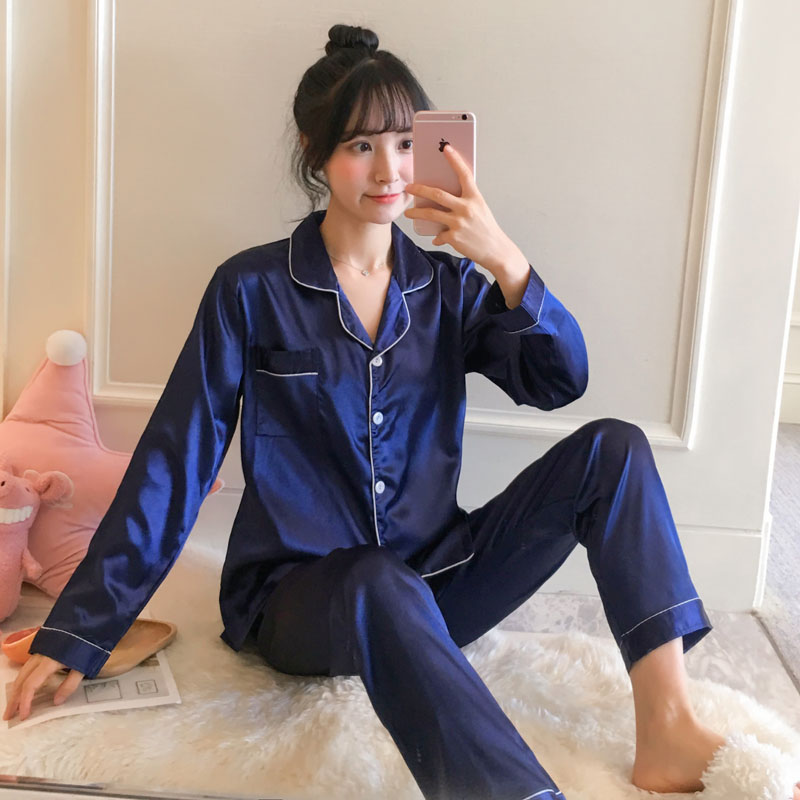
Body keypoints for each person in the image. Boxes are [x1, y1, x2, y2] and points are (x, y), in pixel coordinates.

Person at [7, 21, 798, 800]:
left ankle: (667, 726)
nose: (388, 169)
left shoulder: (449, 290)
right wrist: (82, 629)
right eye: (360, 145)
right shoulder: (251, 289)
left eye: (404, 142)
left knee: (614, 451)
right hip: (299, 600)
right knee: (375, 578)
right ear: (317, 154)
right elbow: (175, 463)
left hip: (436, 578)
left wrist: (505, 260)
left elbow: (561, 380)